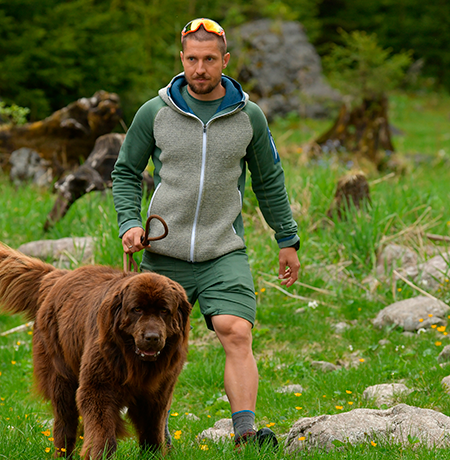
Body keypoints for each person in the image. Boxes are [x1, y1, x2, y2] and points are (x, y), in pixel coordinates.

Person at [111, 18, 300, 449]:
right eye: (193, 59)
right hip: (163, 253)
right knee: (149, 343)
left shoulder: (249, 116)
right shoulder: (154, 113)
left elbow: (269, 180)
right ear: (182, 60)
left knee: (236, 330)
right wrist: (129, 222)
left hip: (222, 250)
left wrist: (286, 239)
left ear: (225, 61)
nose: (200, 68)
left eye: (209, 60)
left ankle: (245, 433)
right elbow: (125, 172)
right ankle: (152, 434)